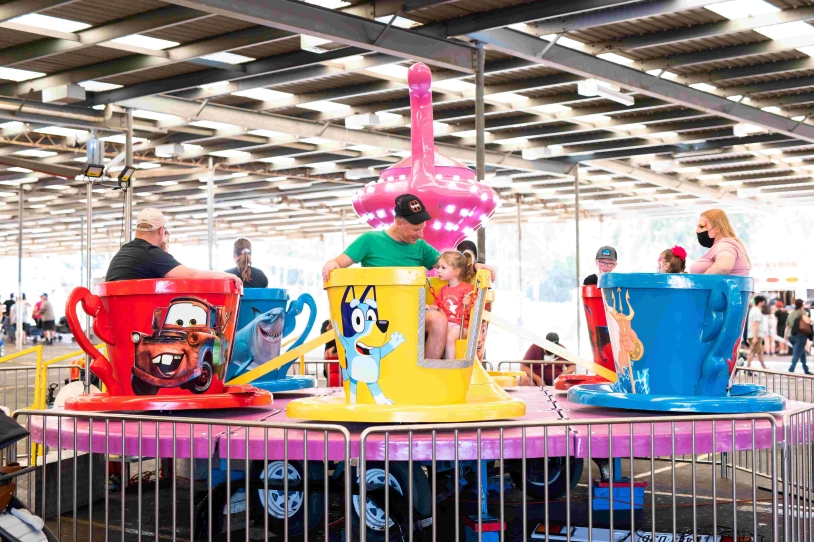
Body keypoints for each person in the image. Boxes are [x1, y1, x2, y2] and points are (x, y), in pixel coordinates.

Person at [321, 194, 495, 359]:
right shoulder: (369, 240)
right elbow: (340, 261)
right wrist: (332, 263)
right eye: (416, 229)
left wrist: (476, 265)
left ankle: (430, 371)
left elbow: (453, 265)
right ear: (399, 223)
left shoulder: (420, 247)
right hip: (379, 312)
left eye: (422, 229)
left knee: (439, 320)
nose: (421, 235)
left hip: (412, 310)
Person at [105, 208, 242, 289]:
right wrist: (225, 275)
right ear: (161, 230)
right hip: (137, 322)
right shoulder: (151, 254)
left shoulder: (123, 252)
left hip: (116, 322)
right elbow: (191, 275)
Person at [427, 250, 477, 359]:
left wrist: (469, 303)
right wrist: (429, 307)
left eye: (443, 268)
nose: (439, 271)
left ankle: (451, 364)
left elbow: (475, 311)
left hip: (460, 325)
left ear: (456, 271)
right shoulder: (443, 289)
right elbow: (436, 306)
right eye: (439, 267)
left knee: (450, 337)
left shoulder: (467, 289)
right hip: (446, 323)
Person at [689, 209, 751, 276]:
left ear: (717, 228)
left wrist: (701, 280)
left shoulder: (725, 244)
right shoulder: (723, 245)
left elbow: (724, 266)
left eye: (702, 226)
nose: (697, 231)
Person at [787, 299, 812, 374]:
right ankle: (791, 369)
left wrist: (785, 336)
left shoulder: (791, 313)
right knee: (797, 353)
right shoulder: (802, 312)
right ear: (802, 304)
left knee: (802, 351)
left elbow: (787, 326)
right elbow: (808, 321)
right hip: (800, 335)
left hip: (791, 335)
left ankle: (805, 369)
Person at [744, 296, 767, 372]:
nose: (764, 303)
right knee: (753, 351)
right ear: (760, 302)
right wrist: (755, 337)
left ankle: (764, 368)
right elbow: (755, 324)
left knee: (759, 352)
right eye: (763, 302)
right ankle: (747, 368)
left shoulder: (752, 310)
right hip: (756, 335)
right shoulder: (757, 311)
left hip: (752, 334)